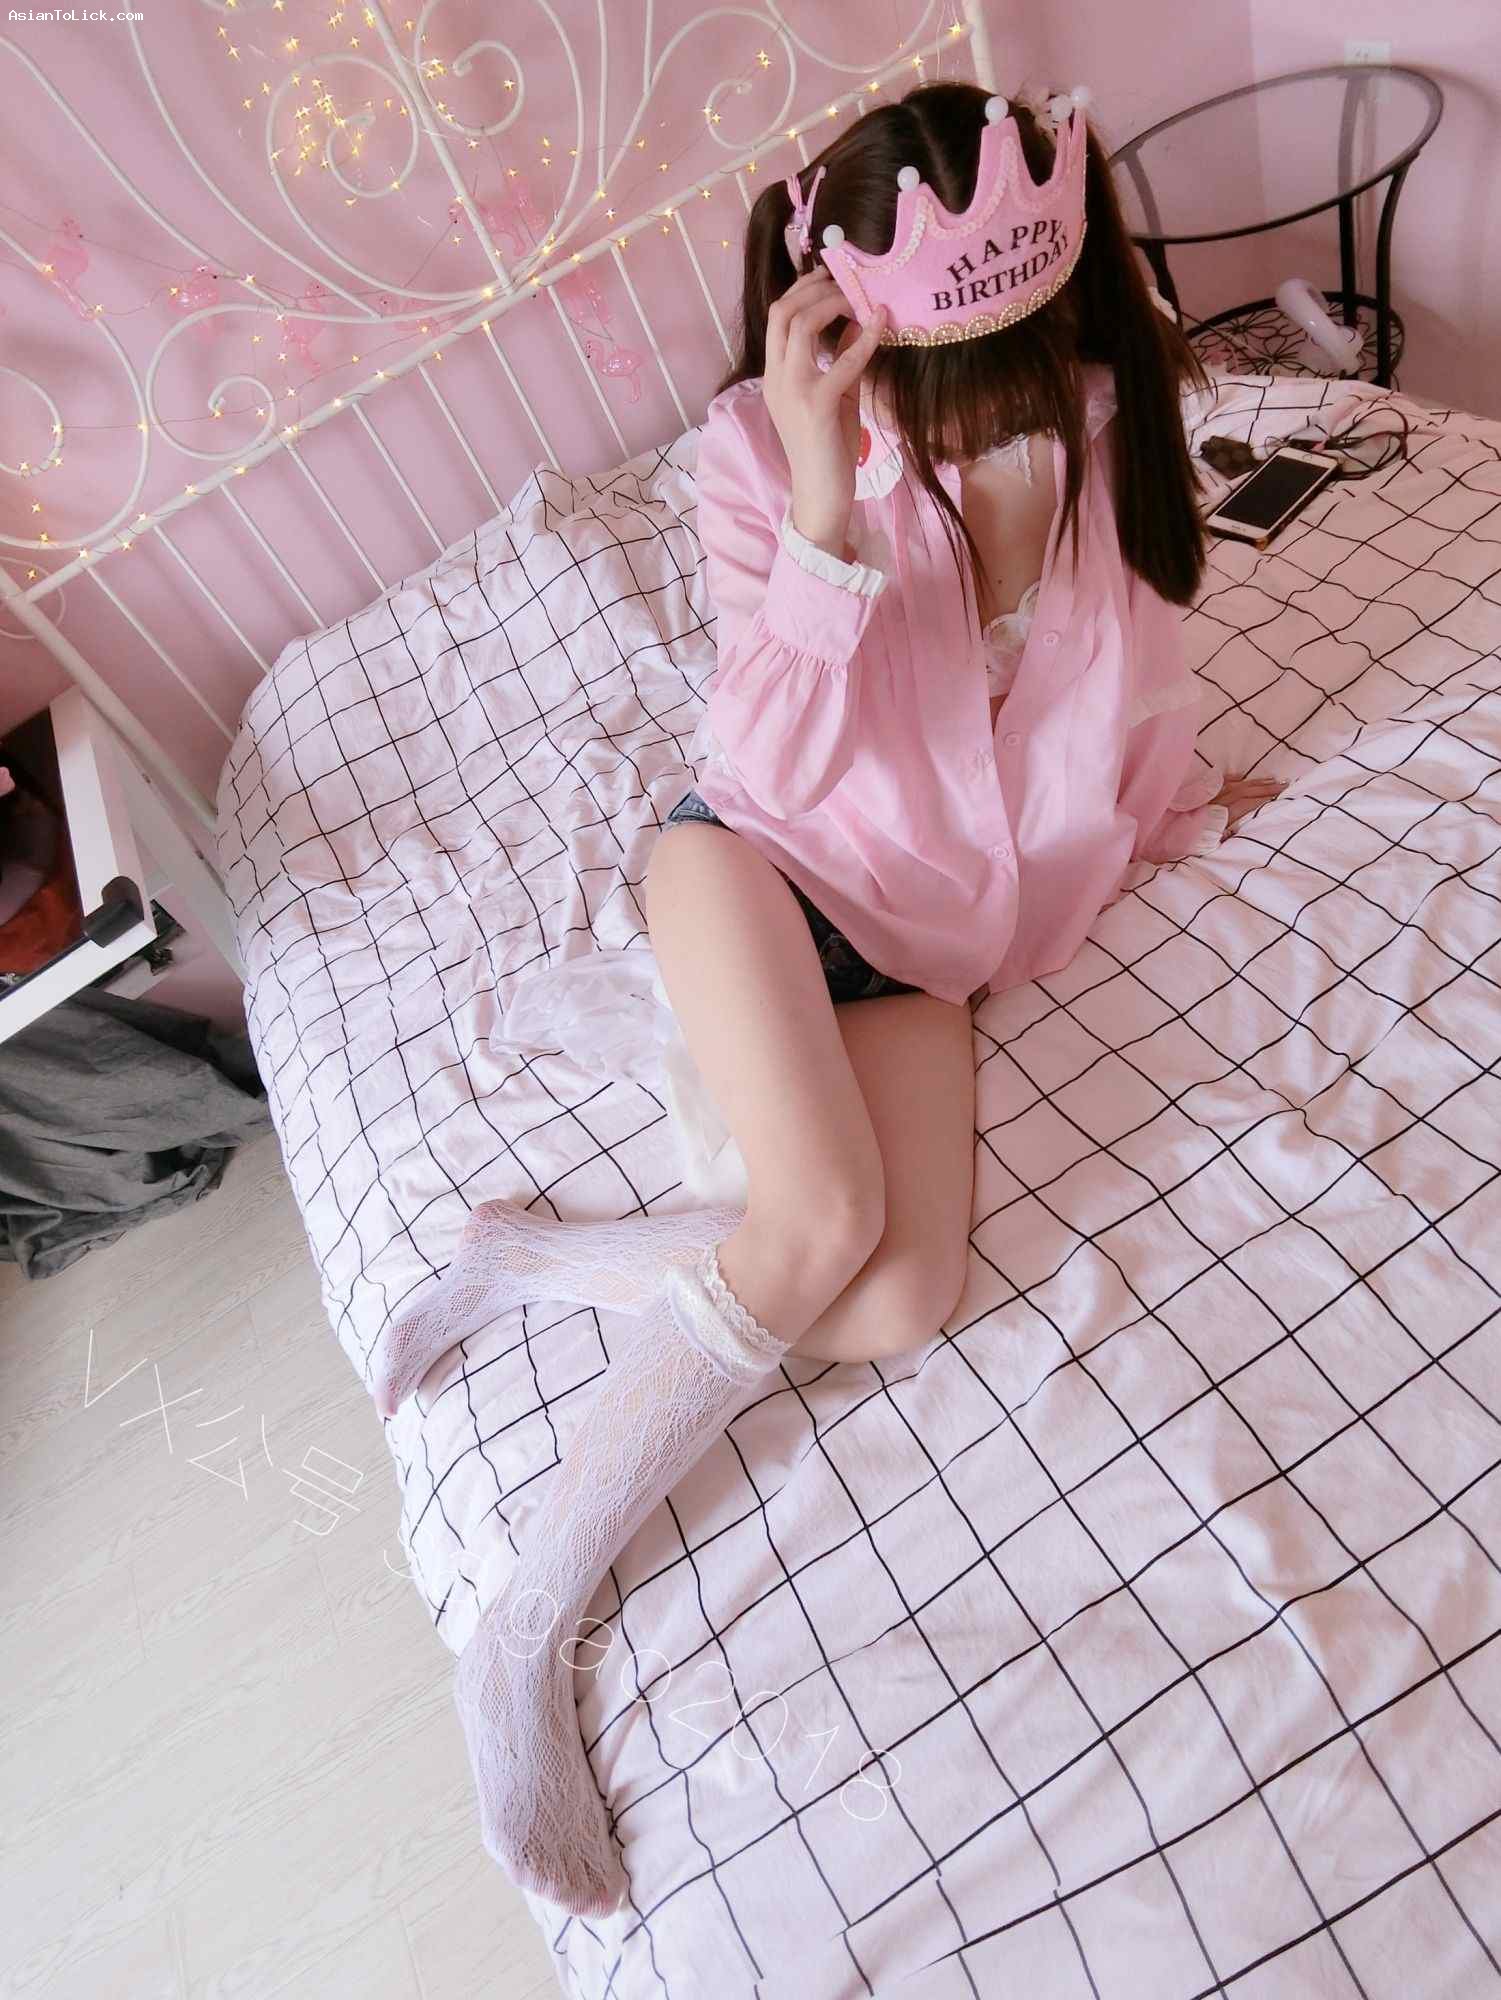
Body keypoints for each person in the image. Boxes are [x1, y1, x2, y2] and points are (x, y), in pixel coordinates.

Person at [369, 77, 1284, 1917]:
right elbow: (767, 754)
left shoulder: (1101, 420)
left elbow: (1133, 676)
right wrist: (815, 491)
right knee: (820, 1221)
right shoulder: (759, 452)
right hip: (754, 866)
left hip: (927, 944)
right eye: (939, 379)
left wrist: (1174, 808)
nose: (979, 415)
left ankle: (532, 1256)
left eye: (1010, 365)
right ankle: (520, 1639)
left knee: (897, 1298)